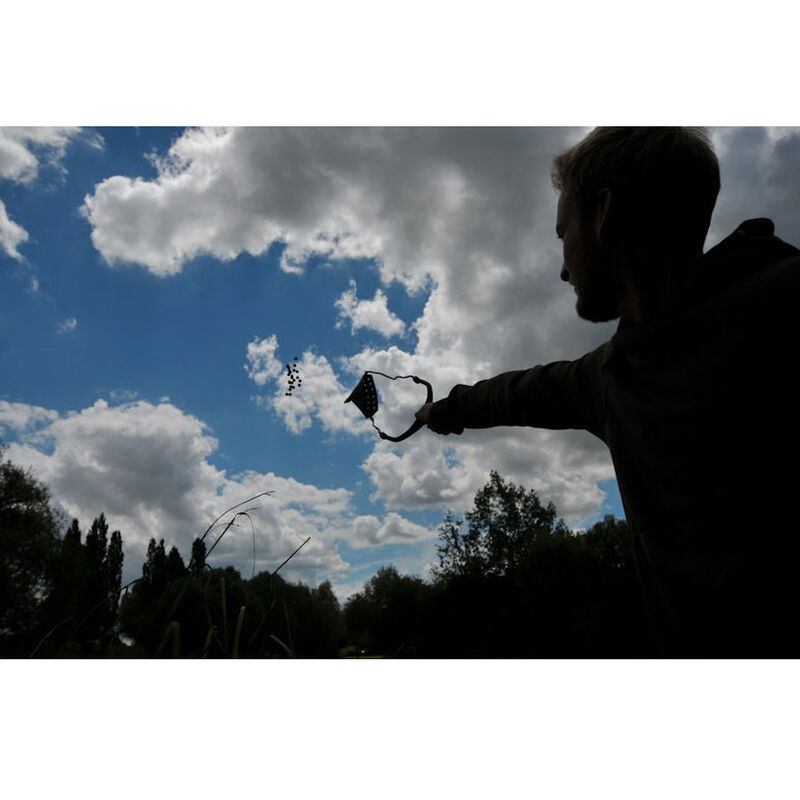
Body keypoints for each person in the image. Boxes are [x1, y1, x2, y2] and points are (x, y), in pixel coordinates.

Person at [415, 127, 800, 657]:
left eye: (561, 235)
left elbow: (522, 392)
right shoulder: (612, 374)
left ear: (603, 214)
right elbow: (518, 392)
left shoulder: (614, 378)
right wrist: (450, 408)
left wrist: (449, 410)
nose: (563, 268)